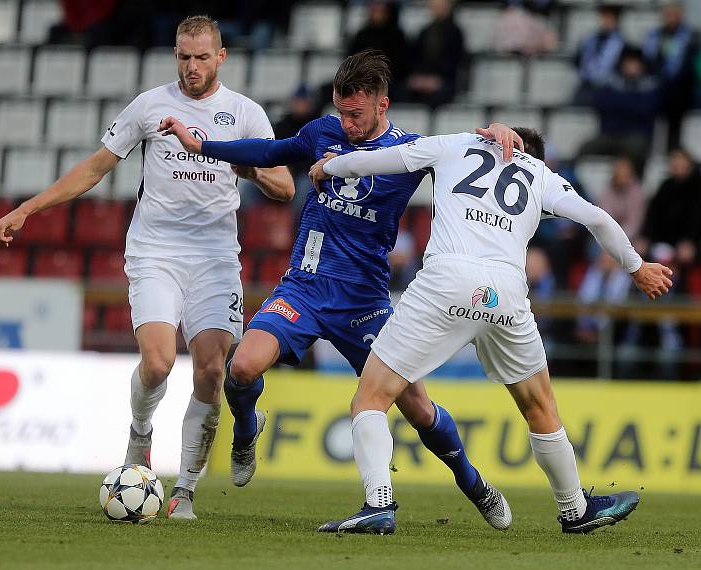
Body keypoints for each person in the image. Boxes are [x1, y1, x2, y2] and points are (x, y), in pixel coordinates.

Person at [160, 50, 524, 531]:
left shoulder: (410, 151)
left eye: (356, 113)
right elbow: (269, 155)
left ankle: (473, 482)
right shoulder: (322, 133)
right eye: (341, 111)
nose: (346, 123)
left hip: (364, 302)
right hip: (305, 288)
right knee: (242, 367)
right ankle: (247, 430)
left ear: (382, 105)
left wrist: (496, 130)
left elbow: (467, 156)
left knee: (415, 405)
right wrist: (201, 146)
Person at [0, 15, 294, 520]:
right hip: (155, 251)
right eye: (182, 56)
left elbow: (284, 187)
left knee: (212, 370)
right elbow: (95, 167)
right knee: (156, 364)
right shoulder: (151, 105)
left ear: (221, 58)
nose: (190, 67)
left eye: (200, 57)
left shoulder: (244, 114)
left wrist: (241, 164)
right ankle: (140, 436)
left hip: (216, 257)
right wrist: (27, 208)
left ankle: (187, 491)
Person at [308, 127, 673, 534]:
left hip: (447, 279)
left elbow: (377, 160)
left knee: (371, 399)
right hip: (506, 291)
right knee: (540, 406)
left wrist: (330, 166)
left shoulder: (455, 143)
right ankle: (574, 508)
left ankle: (378, 504)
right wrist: (637, 268)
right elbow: (597, 217)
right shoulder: (540, 174)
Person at [642, 1, 697, 151]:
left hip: (680, 92)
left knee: (675, 127)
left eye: (674, 14)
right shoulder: (654, 36)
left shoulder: (691, 37)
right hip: (657, 89)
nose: (671, 18)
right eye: (668, 15)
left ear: (681, 16)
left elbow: (688, 67)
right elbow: (647, 61)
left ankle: (672, 152)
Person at [405, 0, 465, 109]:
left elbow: (455, 62)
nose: (437, 9)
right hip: (424, 79)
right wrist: (420, 78)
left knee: (437, 98)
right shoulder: (424, 32)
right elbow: (416, 59)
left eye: (441, 6)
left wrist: (437, 80)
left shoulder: (456, 32)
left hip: (445, 81)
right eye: (435, 6)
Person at [574, 3, 625, 99]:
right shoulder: (590, 39)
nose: (606, 21)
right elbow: (579, 60)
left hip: (609, 87)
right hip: (586, 83)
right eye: (604, 17)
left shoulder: (622, 43)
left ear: (616, 19)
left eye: (610, 18)